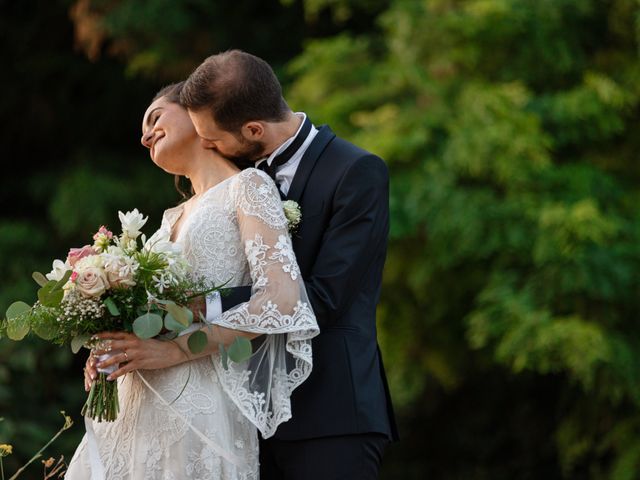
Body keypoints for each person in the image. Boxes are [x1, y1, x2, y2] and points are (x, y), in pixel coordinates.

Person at [67, 82, 319, 479]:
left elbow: (281, 298)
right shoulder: (169, 218)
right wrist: (113, 347)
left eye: (155, 118)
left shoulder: (247, 187)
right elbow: (161, 313)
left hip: (197, 400)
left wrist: (177, 351)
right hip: (134, 405)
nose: (145, 136)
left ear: (197, 115)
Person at [179, 50, 399, 479]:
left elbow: (322, 298)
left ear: (254, 129)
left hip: (331, 415)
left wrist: (200, 306)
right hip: (248, 420)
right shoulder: (237, 180)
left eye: (212, 137)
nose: (206, 145)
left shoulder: (356, 172)